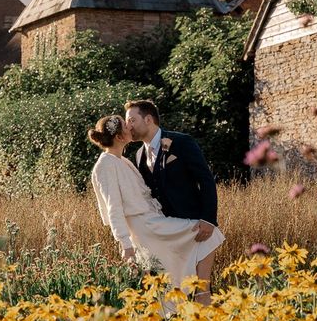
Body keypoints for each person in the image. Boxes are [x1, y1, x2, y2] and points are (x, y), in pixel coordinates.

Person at [88, 114, 224, 305]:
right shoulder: (105, 164)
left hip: (153, 220)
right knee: (207, 234)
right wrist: (125, 244)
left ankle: (190, 301)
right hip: (144, 227)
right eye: (125, 125)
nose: (129, 126)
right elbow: (114, 207)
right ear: (119, 137)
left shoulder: (124, 160)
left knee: (175, 265)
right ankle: (201, 296)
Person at [124, 100, 220, 294]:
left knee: (200, 288)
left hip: (193, 227)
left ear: (149, 119)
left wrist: (208, 219)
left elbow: (206, 179)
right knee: (173, 289)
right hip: (166, 233)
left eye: (132, 120)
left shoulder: (182, 142)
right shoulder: (139, 155)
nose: (128, 126)